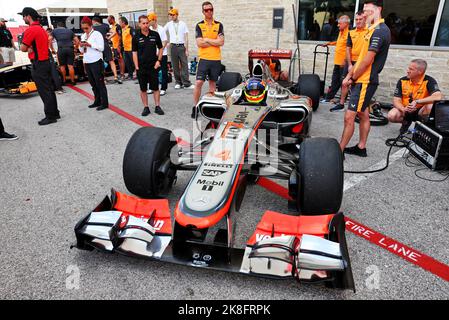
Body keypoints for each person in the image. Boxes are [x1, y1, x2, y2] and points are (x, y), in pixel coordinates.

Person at [340, 0, 391, 157]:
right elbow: (361, 58)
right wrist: (349, 75)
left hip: (365, 81)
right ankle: (361, 148)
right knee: (363, 114)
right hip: (360, 79)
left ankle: (338, 150)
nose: (366, 13)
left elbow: (367, 61)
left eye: (369, 10)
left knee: (349, 117)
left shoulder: (381, 31)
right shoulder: (371, 29)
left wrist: (352, 78)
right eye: (364, 10)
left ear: (378, 10)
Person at [20, 7, 60, 126]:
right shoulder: (41, 29)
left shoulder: (31, 30)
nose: (23, 19)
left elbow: (22, 48)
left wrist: (29, 48)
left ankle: (50, 116)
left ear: (28, 16)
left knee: (44, 90)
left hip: (38, 63)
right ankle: (55, 112)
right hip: (46, 62)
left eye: (23, 16)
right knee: (49, 89)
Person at [388, 59, 443, 134]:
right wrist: (403, 109)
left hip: (420, 111)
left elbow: (438, 97)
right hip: (405, 109)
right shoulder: (402, 80)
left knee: (431, 106)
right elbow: (396, 100)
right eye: (408, 68)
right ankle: (405, 123)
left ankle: (421, 127)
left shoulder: (429, 80)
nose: (407, 71)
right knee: (391, 115)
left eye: (411, 69)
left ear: (420, 72)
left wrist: (417, 102)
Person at [192, 1, 225, 119]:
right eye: (206, 10)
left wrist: (206, 39)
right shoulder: (199, 25)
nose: (209, 11)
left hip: (216, 59)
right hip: (204, 58)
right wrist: (213, 41)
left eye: (211, 9)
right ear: (203, 12)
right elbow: (199, 43)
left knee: (212, 84)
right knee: (199, 82)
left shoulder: (219, 24)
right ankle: (195, 107)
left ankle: (210, 107)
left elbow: (221, 42)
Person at [331, 11, 367, 112]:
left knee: (359, 84)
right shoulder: (352, 32)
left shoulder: (369, 32)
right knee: (344, 83)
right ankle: (341, 104)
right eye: (357, 19)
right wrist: (350, 63)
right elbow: (348, 48)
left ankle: (359, 107)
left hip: (363, 62)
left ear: (365, 19)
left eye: (361, 19)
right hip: (351, 62)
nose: (358, 21)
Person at [132, 15, 164, 117]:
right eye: (143, 23)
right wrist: (136, 67)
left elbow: (161, 48)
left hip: (153, 66)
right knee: (143, 89)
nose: (146, 25)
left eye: (147, 23)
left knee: (155, 88)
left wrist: (158, 61)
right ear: (139, 24)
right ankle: (146, 107)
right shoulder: (136, 36)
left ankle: (157, 106)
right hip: (141, 67)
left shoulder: (155, 34)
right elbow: (134, 52)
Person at [79, 17, 109, 111]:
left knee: (99, 83)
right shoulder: (83, 35)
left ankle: (104, 103)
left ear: (91, 26)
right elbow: (82, 51)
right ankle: (97, 100)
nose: (85, 30)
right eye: (83, 28)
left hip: (96, 61)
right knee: (93, 83)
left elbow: (101, 48)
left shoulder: (97, 34)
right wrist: (81, 46)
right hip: (87, 61)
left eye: (86, 28)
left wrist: (90, 45)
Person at [321, 15, 350, 105]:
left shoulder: (349, 34)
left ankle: (342, 101)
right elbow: (339, 43)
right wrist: (329, 43)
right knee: (335, 81)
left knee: (343, 82)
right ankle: (329, 98)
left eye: (339, 23)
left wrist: (345, 61)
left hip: (343, 63)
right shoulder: (341, 32)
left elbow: (349, 49)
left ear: (346, 23)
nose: (338, 25)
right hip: (337, 62)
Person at [164, 8, 194, 90]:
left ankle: (186, 83)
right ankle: (178, 82)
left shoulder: (183, 24)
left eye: (173, 15)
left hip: (181, 46)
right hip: (173, 46)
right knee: (175, 65)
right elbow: (162, 32)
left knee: (184, 64)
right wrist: (167, 42)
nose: (171, 16)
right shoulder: (169, 24)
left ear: (177, 15)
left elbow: (186, 37)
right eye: (170, 15)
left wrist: (187, 49)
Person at [93, 16, 121, 84]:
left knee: (100, 62)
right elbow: (114, 32)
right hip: (106, 45)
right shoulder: (105, 26)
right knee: (111, 61)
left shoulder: (93, 28)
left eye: (92, 22)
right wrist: (108, 38)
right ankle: (116, 76)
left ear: (95, 21)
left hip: (99, 46)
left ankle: (104, 78)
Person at [148, 12, 168, 96]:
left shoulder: (161, 29)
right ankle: (152, 87)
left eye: (149, 21)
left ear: (154, 20)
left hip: (162, 54)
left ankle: (163, 88)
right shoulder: (149, 30)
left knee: (163, 71)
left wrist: (159, 52)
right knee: (152, 71)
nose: (148, 22)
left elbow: (165, 41)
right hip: (152, 54)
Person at [46, 28, 64, 94]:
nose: (47, 34)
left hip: (55, 55)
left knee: (54, 71)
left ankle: (59, 87)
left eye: (48, 33)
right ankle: (57, 86)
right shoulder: (49, 39)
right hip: (52, 55)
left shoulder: (52, 39)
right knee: (54, 72)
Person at [107, 15, 125, 80]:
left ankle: (122, 74)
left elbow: (120, 36)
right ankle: (121, 73)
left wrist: (119, 46)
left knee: (121, 60)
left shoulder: (118, 26)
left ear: (112, 19)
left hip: (118, 46)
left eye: (109, 20)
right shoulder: (113, 27)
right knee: (118, 60)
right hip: (114, 46)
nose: (108, 21)